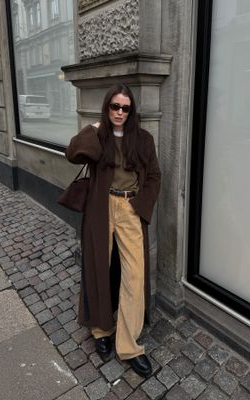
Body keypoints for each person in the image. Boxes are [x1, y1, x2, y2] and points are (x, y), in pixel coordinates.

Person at [66, 83, 161, 378]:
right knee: (98, 267)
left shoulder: (143, 139)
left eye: (125, 107)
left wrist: (140, 207)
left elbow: (154, 175)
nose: (119, 112)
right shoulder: (99, 137)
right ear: (107, 107)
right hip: (101, 208)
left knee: (134, 275)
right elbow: (73, 153)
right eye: (114, 107)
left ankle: (129, 345)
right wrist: (93, 127)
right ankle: (101, 329)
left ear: (131, 111)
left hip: (130, 209)